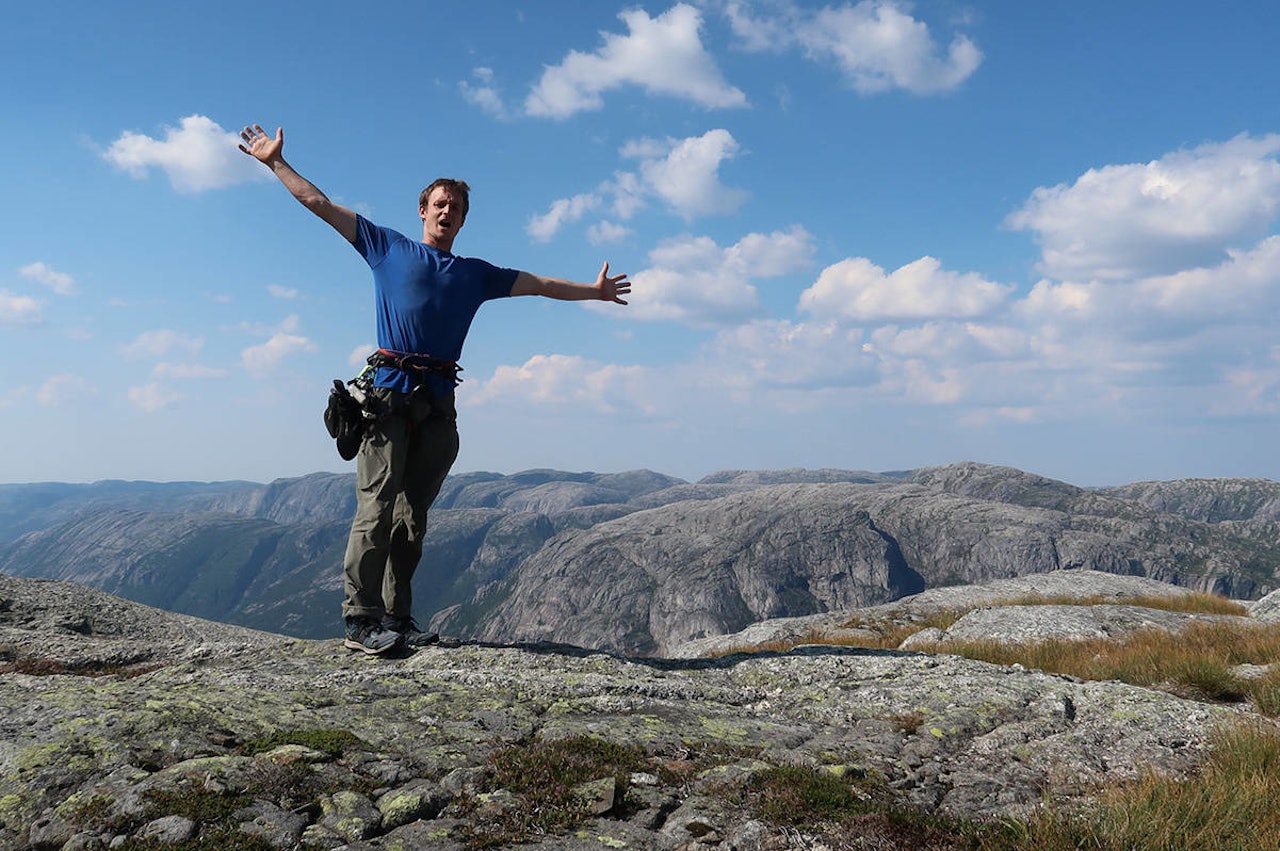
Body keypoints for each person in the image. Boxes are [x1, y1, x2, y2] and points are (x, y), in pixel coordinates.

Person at [238, 124, 630, 655]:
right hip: (388, 400)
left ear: (463, 219)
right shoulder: (387, 248)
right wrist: (275, 163)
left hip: (438, 407)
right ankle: (360, 619)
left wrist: (596, 292)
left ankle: (398, 618)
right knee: (376, 510)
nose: (447, 213)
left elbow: (541, 285)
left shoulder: (476, 274)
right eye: (440, 204)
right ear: (423, 210)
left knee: (411, 520)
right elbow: (319, 203)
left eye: (456, 208)